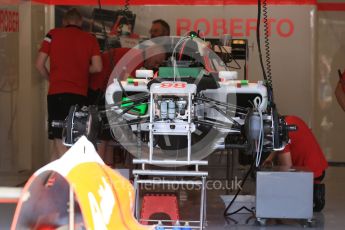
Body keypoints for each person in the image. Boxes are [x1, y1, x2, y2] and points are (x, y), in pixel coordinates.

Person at [35, 8, 102, 160]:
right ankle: (51, 179)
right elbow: (98, 67)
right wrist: (82, 70)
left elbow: (39, 64)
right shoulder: (90, 38)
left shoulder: (52, 35)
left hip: (57, 93)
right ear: (81, 22)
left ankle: (66, 178)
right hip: (79, 95)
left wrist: (52, 79)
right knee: (72, 137)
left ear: (64, 21)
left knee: (58, 138)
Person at [263, 115, 328, 211]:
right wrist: (269, 158)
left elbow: (287, 171)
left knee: (282, 190)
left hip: (310, 175)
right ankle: (313, 191)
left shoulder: (281, 135)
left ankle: (312, 193)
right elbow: (281, 145)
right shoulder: (290, 120)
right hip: (319, 168)